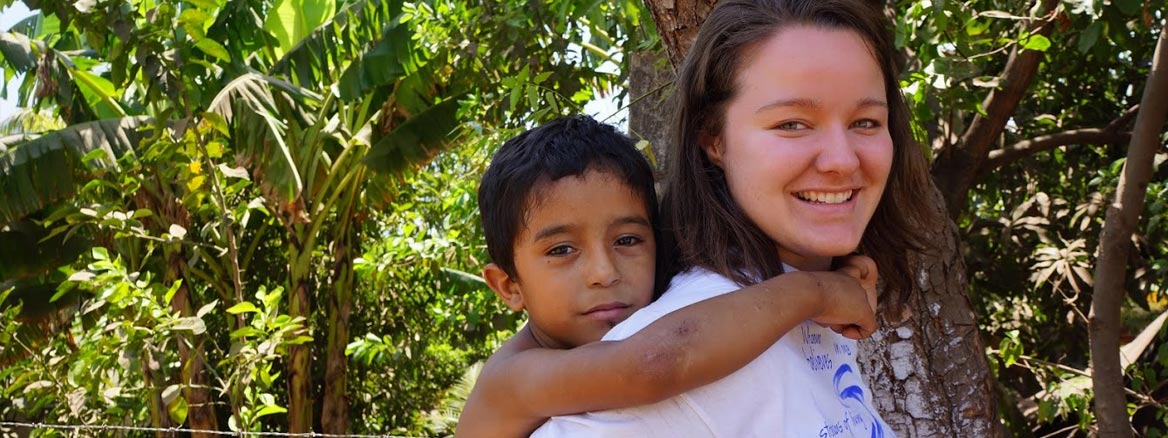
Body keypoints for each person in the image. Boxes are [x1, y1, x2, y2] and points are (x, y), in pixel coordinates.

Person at [530, 0, 940, 436]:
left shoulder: (811, 306)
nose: (841, 160)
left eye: (866, 122)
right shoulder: (692, 353)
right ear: (713, 139)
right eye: (793, 124)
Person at [456, 115, 885, 437]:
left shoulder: (658, 307)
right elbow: (652, 365)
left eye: (627, 240)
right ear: (508, 286)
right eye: (561, 250)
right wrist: (817, 291)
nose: (604, 273)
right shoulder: (510, 380)